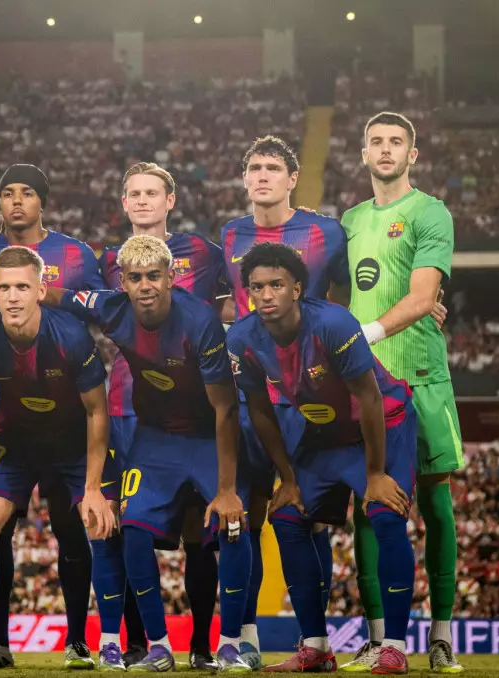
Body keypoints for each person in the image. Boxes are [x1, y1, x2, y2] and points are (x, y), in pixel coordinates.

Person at [0, 234, 248, 672]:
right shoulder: (105, 307)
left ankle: (211, 645)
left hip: (175, 437)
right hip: (99, 439)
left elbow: (220, 409)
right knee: (123, 529)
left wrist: (224, 489)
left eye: (154, 276)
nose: (145, 286)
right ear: (122, 283)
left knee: (210, 524)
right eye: (135, 278)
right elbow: (43, 295)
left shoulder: (191, 322)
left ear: (172, 278)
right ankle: (155, 647)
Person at [225, 242, 417, 675]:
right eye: (257, 286)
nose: (266, 294)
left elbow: (369, 397)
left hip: (384, 423)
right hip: (326, 434)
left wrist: (374, 474)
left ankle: (394, 646)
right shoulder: (241, 338)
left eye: (277, 285)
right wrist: (288, 478)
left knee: (385, 512)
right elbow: (260, 410)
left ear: (297, 288)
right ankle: (315, 648)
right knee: (287, 516)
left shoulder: (332, 322)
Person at [0, 163, 104, 669]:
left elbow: (98, 309)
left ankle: (80, 640)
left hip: (66, 414)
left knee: (73, 529)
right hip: (7, 419)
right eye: (7, 193)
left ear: (44, 201)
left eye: (27, 193)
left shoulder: (76, 255)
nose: (17, 201)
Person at [340, 112, 464, 674]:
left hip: (420, 375)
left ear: (412, 154)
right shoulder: (348, 221)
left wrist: (363, 334)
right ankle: (378, 638)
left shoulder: (430, 212)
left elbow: (422, 296)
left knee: (435, 503)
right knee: (370, 504)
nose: (386, 149)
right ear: (363, 153)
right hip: (365, 385)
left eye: (396, 142)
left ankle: (441, 636)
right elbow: (329, 293)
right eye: (376, 142)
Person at [220, 135, 350, 670]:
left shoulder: (326, 231)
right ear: (244, 178)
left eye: (273, 167)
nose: (263, 175)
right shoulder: (230, 234)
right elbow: (228, 300)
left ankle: (314, 642)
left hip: (308, 396)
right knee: (248, 516)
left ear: (293, 178)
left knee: (309, 518)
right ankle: (246, 637)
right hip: (252, 392)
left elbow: (348, 298)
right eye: (254, 167)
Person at [99, 162, 230, 669]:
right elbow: (66, 297)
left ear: (170, 200)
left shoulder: (204, 252)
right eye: (134, 193)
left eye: (152, 192)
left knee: (199, 526)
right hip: (127, 407)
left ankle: (202, 645)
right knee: (128, 522)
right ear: (123, 203)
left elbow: (250, 288)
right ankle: (140, 643)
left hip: (194, 411)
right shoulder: (107, 259)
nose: (143, 200)